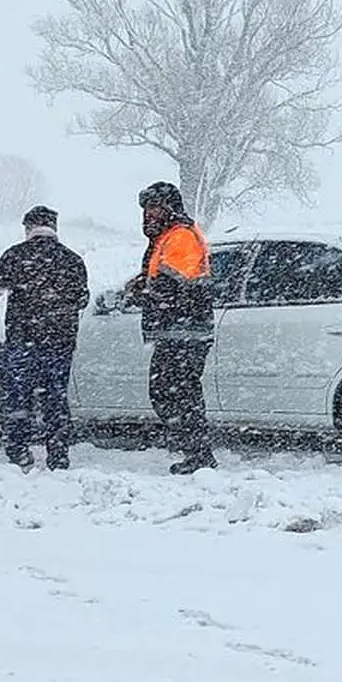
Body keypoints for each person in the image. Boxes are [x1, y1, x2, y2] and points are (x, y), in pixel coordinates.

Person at [0, 206, 89, 471]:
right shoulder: (72, 260)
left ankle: (19, 452)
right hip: (60, 342)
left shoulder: (16, 256)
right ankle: (58, 454)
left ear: (27, 228)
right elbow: (82, 299)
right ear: (54, 227)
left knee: (17, 397)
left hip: (24, 340)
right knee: (55, 397)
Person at [123, 182, 217, 474]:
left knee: (176, 392)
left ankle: (197, 452)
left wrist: (143, 293)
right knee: (172, 391)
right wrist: (140, 283)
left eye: (153, 207)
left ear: (168, 208)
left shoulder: (180, 237)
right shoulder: (167, 237)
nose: (148, 214)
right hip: (177, 330)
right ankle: (191, 445)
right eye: (145, 209)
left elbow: (172, 284)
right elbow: (161, 277)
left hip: (185, 330)